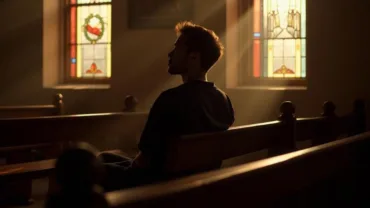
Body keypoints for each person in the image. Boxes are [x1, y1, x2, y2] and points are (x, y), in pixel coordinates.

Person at [100, 21, 235, 190]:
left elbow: (143, 161)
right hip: (197, 181)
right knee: (106, 156)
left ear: (194, 56)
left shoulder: (171, 99)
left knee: (83, 165)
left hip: (159, 184)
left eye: (177, 48)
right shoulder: (223, 99)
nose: (170, 54)